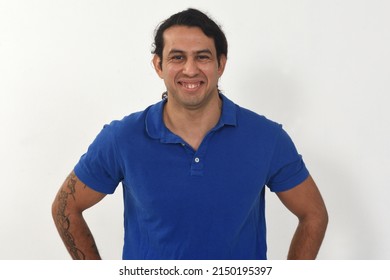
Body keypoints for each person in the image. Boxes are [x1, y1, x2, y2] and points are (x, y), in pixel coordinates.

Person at [51, 8, 328, 260]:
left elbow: (313, 214)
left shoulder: (267, 138)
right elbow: (65, 207)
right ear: (159, 65)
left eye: (202, 57)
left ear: (221, 64)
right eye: (177, 57)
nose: (190, 69)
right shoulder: (122, 138)